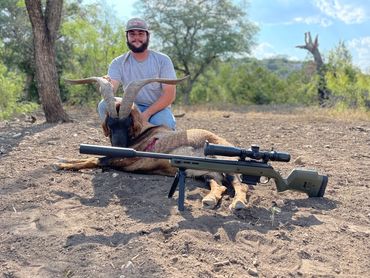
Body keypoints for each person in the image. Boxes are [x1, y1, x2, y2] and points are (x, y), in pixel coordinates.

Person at [97, 17, 178, 130]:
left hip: (157, 109)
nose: (136, 38)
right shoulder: (118, 62)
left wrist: (146, 115)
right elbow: (111, 89)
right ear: (127, 37)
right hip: (131, 108)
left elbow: (169, 95)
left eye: (140, 34)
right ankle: (118, 139)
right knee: (103, 105)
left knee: (165, 124)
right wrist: (105, 85)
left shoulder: (163, 60)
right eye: (132, 34)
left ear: (147, 36)